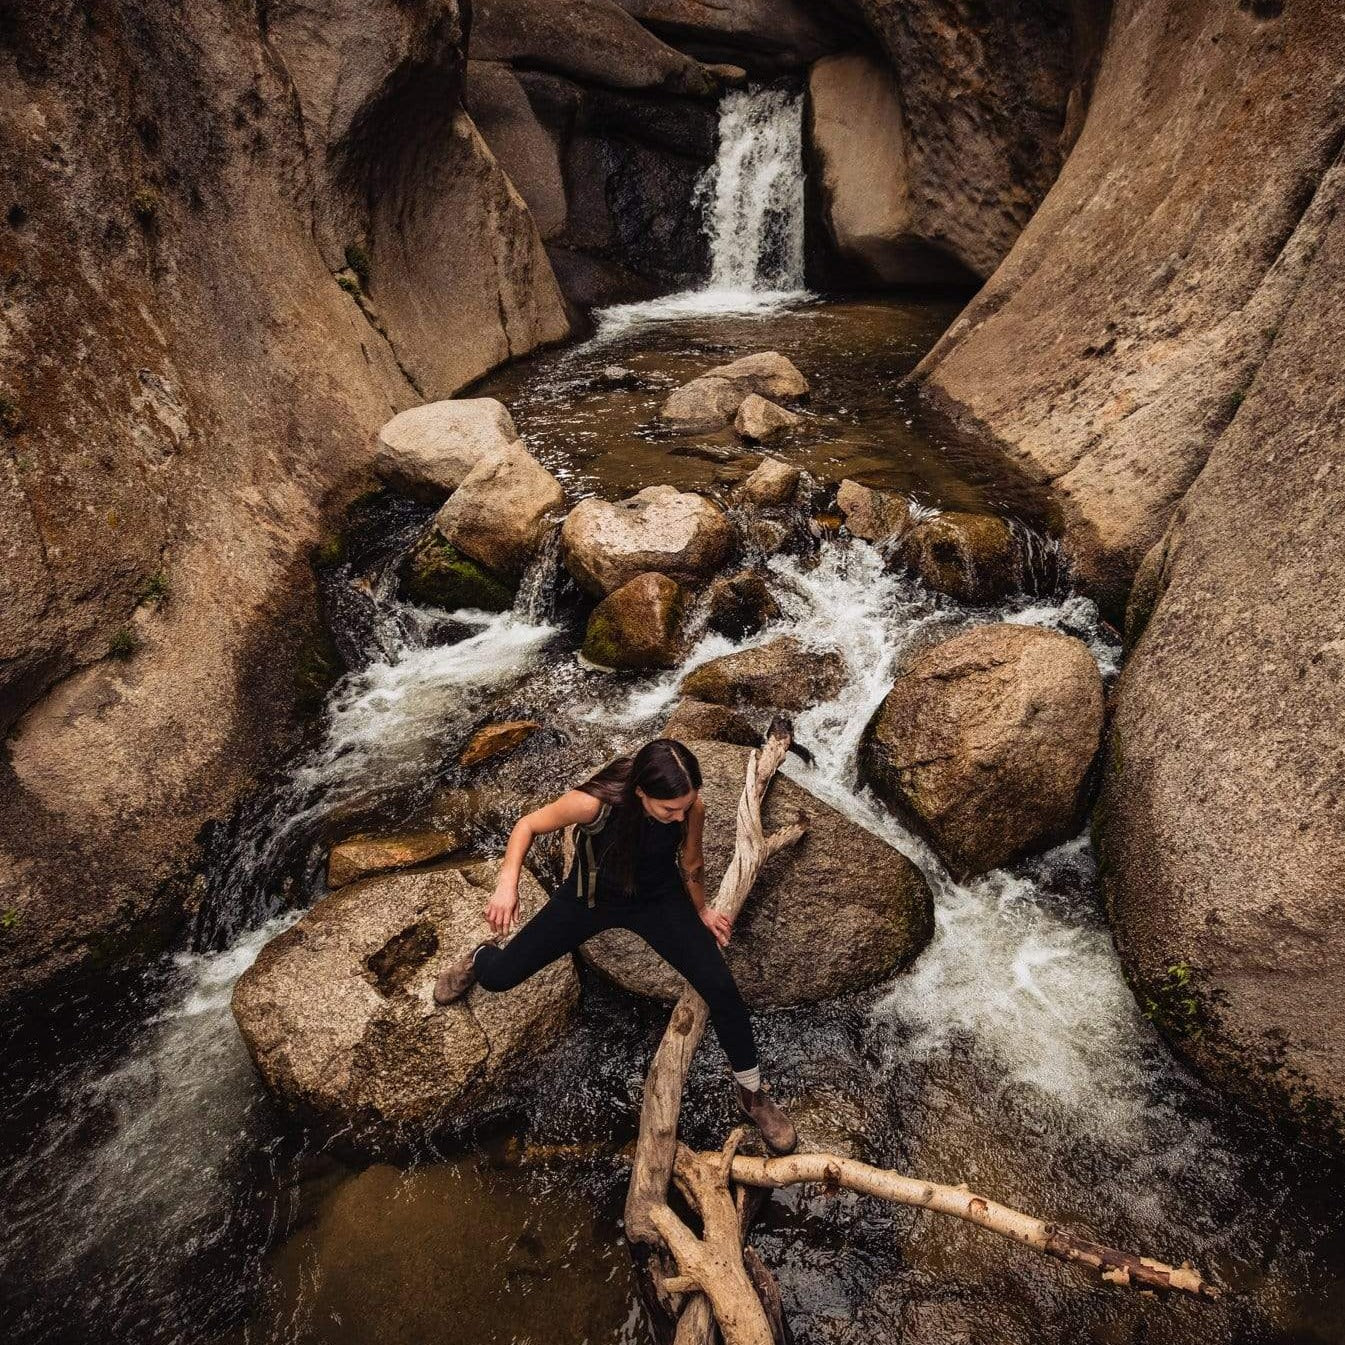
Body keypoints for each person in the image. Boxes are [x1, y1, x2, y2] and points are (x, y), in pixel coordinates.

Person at [432, 737, 798, 1154]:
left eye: (685, 806)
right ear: (641, 791)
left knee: (723, 990)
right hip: (589, 900)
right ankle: (479, 957)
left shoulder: (690, 807)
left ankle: (752, 1093)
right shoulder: (594, 804)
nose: (680, 817)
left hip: (658, 901)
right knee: (499, 977)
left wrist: (700, 912)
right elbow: (528, 825)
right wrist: (506, 885)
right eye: (668, 810)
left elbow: (691, 861)